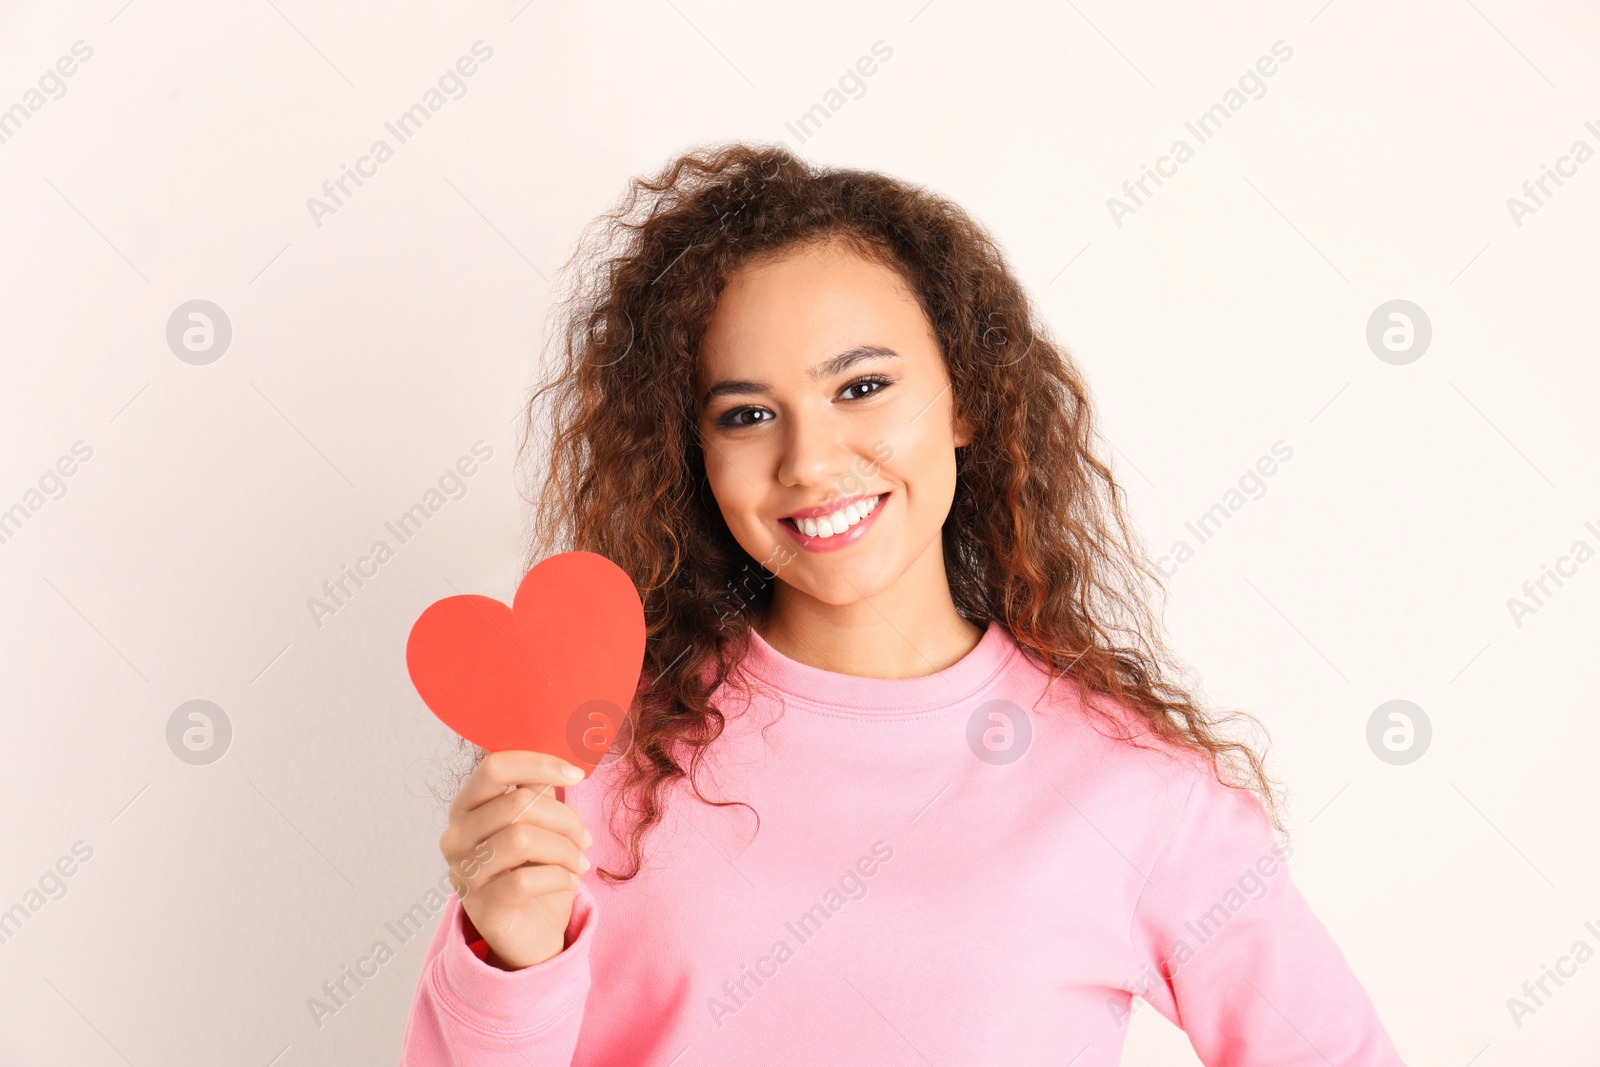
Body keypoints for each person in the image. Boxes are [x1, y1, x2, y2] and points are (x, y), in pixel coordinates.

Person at [399, 143, 1407, 1065]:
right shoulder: (594, 759)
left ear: (965, 396)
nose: (810, 460)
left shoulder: (1137, 790)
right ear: (692, 454)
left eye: (862, 386)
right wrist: (508, 958)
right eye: (746, 414)